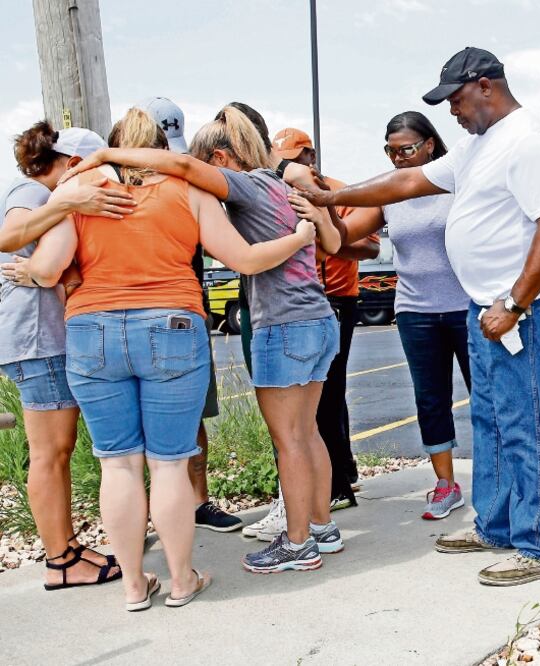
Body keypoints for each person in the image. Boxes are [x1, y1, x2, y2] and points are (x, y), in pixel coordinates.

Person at [300, 47, 540, 586]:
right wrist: (331, 194)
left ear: (487, 86)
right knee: (493, 422)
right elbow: (405, 184)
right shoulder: (480, 147)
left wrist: (516, 302)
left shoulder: (529, 144)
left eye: (455, 98)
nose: (450, 110)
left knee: (532, 425)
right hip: (485, 306)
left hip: (524, 309)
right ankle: (496, 526)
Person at [25, 107, 320, 608]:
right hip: (172, 326)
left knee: (116, 464)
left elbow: (48, 269)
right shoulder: (189, 191)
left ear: (116, 144)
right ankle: (182, 580)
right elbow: (245, 259)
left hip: (92, 328)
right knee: (168, 464)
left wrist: (29, 270)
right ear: (161, 148)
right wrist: (299, 238)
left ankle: (136, 586)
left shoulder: (82, 191)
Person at [0, 122, 132, 591]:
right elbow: (10, 235)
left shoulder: (46, 194)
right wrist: (69, 201)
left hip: (39, 337)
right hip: (36, 339)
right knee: (51, 454)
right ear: (72, 163)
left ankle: (69, 550)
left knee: (56, 450)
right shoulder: (31, 191)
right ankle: (61, 561)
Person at [324, 111, 470, 520]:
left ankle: (500, 478)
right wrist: (322, 203)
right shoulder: (389, 193)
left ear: (429, 145)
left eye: (405, 149)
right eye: (390, 152)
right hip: (415, 311)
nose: (397, 159)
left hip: (465, 307)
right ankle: (445, 485)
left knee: (488, 396)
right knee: (430, 400)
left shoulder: (456, 184)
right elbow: (340, 236)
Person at [139, 96, 242, 533]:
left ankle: (198, 501)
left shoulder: (189, 189)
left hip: (187, 314)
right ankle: (148, 513)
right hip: (136, 315)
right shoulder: (114, 188)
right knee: (136, 429)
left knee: (195, 417)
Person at [272, 127, 379, 515]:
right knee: (317, 398)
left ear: (311, 158)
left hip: (337, 299)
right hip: (297, 302)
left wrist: (325, 236)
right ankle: (341, 471)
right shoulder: (278, 192)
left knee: (329, 394)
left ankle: (335, 485)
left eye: (296, 158)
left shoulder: (339, 191)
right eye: (282, 159)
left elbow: (369, 247)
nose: (289, 166)